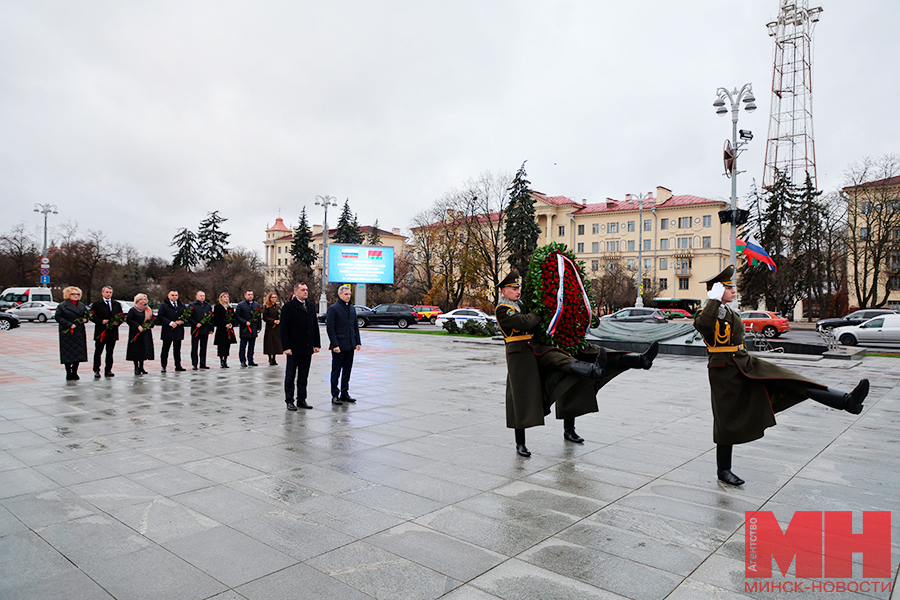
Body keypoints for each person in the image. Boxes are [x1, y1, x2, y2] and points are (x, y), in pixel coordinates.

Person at [694, 265, 870, 486]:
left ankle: (847, 401)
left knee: (793, 382)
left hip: (747, 364)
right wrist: (712, 300)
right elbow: (703, 325)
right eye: (728, 288)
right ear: (717, 290)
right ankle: (724, 470)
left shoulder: (731, 311)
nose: (734, 291)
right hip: (725, 373)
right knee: (726, 421)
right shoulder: (705, 312)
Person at [496, 271, 658, 457]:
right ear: (504, 290)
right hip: (520, 357)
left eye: (518, 288)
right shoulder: (504, 309)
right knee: (521, 399)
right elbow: (526, 322)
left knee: (570, 360)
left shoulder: (521, 305)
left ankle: (635, 361)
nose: (517, 292)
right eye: (514, 288)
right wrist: (541, 310)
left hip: (537, 348)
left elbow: (585, 320)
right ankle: (520, 444)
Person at [280, 283, 321, 410]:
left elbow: (315, 326)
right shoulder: (288, 307)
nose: (305, 292)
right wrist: (286, 347)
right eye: (303, 290)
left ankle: (301, 399)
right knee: (290, 375)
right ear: (295, 292)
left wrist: (316, 344)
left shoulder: (310, 306)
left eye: (307, 290)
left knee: (303, 375)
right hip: (293, 347)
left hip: (307, 347)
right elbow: (283, 328)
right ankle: (289, 400)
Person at [326, 285, 361, 405]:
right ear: (340, 294)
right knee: (336, 371)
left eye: (349, 294)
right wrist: (335, 344)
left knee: (347, 370)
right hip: (339, 346)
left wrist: (357, 341)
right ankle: (335, 395)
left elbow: (355, 326)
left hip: (350, 345)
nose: (348, 296)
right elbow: (330, 328)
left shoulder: (351, 308)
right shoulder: (333, 309)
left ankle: (344, 393)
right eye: (346, 294)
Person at [90, 285, 124, 378]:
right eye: (107, 292)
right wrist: (101, 321)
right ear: (102, 293)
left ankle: (108, 369)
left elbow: (121, 316)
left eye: (110, 292)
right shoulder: (96, 304)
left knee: (110, 352)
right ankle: (96, 369)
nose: (108, 294)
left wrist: (118, 322)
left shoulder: (116, 304)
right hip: (101, 332)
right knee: (98, 351)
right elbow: (92, 316)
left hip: (112, 332)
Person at [57, 286, 89, 381]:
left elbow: (86, 315)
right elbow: (58, 317)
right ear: (68, 295)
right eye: (73, 294)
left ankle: (75, 371)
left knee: (78, 352)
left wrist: (85, 319)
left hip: (78, 332)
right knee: (68, 353)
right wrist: (69, 324)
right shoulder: (62, 306)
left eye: (77, 294)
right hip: (67, 332)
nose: (76, 296)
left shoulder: (81, 305)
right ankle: (68, 372)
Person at [157, 290, 187, 372]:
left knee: (177, 349)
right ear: (168, 296)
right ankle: (163, 366)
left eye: (176, 295)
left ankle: (178, 365)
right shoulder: (164, 305)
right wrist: (170, 323)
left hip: (178, 330)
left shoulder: (181, 305)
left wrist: (181, 321)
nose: (175, 297)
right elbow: (160, 316)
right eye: (173, 295)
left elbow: (186, 316)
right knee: (165, 349)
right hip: (168, 330)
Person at [126, 293, 155, 375]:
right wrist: (137, 326)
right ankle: (136, 367)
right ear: (137, 301)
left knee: (144, 349)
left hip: (145, 333)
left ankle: (141, 366)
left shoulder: (148, 310)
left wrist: (150, 324)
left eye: (144, 299)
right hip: (136, 333)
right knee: (136, 350)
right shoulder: (133, 310)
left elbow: (153, 319)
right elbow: (129, 320)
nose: (143, 301)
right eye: (141, 299)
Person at [189, 290, 214, 370]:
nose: (202, 297)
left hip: (205, 329)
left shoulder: (208, 305)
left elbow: (211, 317)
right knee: (194, 347)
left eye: (203, 296)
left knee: (203, 347)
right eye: (200, 296)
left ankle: (203, 363)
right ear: (196, 297)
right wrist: (195, 323)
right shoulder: (192, 305)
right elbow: (189, 317)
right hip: (196, 329)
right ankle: (194, 364)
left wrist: (211, 328)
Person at [235, 290, 261, 367]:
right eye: (249, 294)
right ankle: (243, 360)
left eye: (252, 294)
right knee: (243, 346)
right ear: (245, 295)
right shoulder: (241, 305)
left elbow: (258, 316)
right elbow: (237, 316)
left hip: (253, 329)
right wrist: (244, 322)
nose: (250, 296)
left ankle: (251, 360)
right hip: (244, 329)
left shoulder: (256, 304)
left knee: (252, 346)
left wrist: (258, 327)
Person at [213, 292, 237, 368]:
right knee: (221, 345)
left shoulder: (230, 307)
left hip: (229, 329)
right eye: (224, 297)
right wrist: (224, 324)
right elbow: (217, 318)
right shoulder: (218, 307)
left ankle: (226, 360)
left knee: (227, 345)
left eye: (227, 297)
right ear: (221, 298)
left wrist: (231, 324)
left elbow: (234, 317)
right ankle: (221, 360)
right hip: (221, 329)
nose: (226, 298)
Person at [262, 292, 283, 365]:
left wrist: (279, 320)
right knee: (269, 342)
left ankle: (274, 358)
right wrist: (272, 321)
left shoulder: (278, 307)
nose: (274, 299)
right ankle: (270, 358)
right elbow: (265, 317)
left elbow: (281, 315)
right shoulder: (267, 307)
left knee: (276, 342)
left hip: (276, 327)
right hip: (270, 327)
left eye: (275, 297)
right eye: (273, 297)